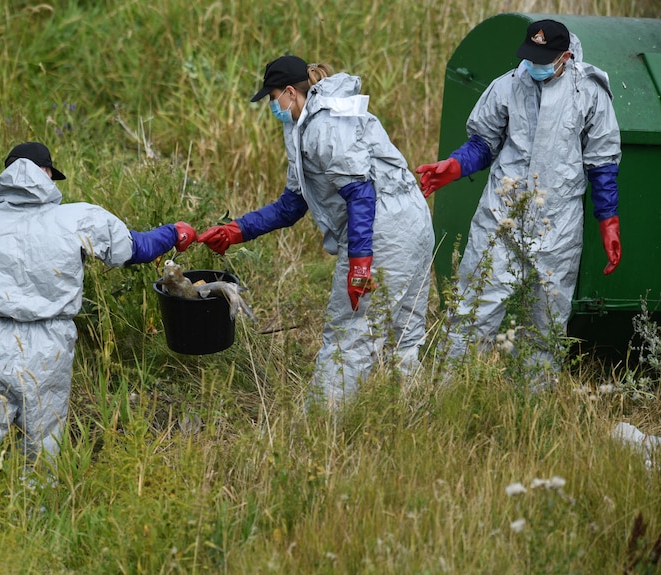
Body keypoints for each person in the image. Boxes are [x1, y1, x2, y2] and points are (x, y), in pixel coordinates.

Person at [0, 142, 196, 514]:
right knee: (42, 459)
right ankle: (33, 538)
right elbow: (137, 248)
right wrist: (174, 233)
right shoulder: (77, 219)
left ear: (6, 176)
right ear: (47, 174)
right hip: (48, 349)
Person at [198, 56, 434, 405]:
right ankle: (408, 417)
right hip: (411, 224)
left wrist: (360, 264)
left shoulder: (326, 124)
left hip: (383, 233)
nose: (271, 105)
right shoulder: (304, 124)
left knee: (348, 334)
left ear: (290, 92)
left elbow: (360, 193)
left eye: (272, 96)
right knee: (405, 334)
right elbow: (292, 204)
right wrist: (237, 230)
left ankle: (323, 427)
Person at [415, 19, 622, 367]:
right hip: (501, 218)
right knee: (472, 310)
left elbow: (601, 164)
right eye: (530, 57)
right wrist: (454, 166)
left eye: (543, 60)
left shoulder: (589, 92)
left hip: (557, 227)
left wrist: (609, 222)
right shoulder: (507, 86)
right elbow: (482, 144)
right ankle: (450, 395)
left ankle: (530, 408)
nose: (533, 66)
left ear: (565, 57)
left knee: (545, 327)